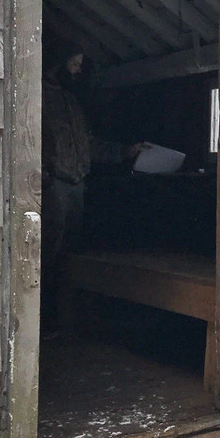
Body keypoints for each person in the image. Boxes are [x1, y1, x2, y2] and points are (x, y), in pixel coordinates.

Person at [41, 50, 146, 333]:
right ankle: (42, 323)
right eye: (73, 62)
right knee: (46, 257)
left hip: (76, 186)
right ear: (56, 62)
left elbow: (89, 145)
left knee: (70, 258)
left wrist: (125, 151)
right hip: (54, 188)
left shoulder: (72, 102)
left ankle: (62, 322)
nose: (77, 69)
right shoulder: (38, 97)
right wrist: (45, 178)